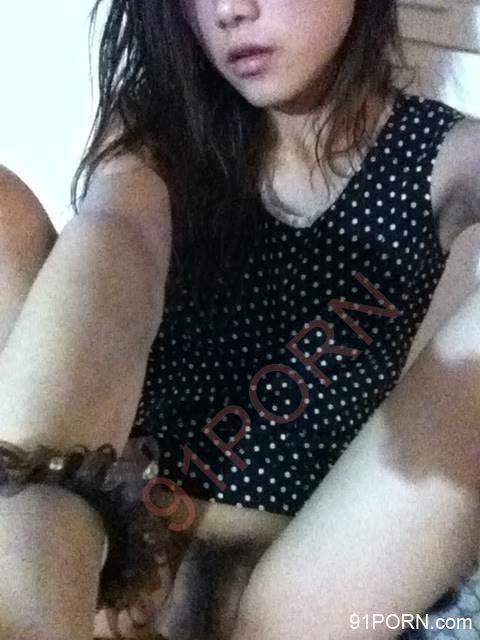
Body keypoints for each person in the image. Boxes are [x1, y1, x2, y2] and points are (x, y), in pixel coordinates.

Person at [1, 0, 480, 639]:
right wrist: (51, 525)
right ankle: (29, 555)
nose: (230, 10)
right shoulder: (162, 134)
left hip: (291, 596)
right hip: (108, 552)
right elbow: (122, 242)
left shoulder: (445, 157)